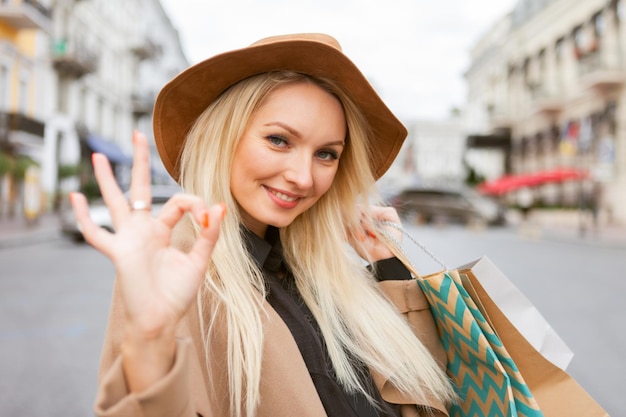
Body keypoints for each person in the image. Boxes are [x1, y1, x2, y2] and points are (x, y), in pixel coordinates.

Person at [70, 33, 456, 417]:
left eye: (326, 154)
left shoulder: (319, 268)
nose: (303, 178)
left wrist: (389, 266)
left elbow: (423, 394)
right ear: (224, 137)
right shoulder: (175, 268)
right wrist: (149, 344)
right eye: (279, 140)